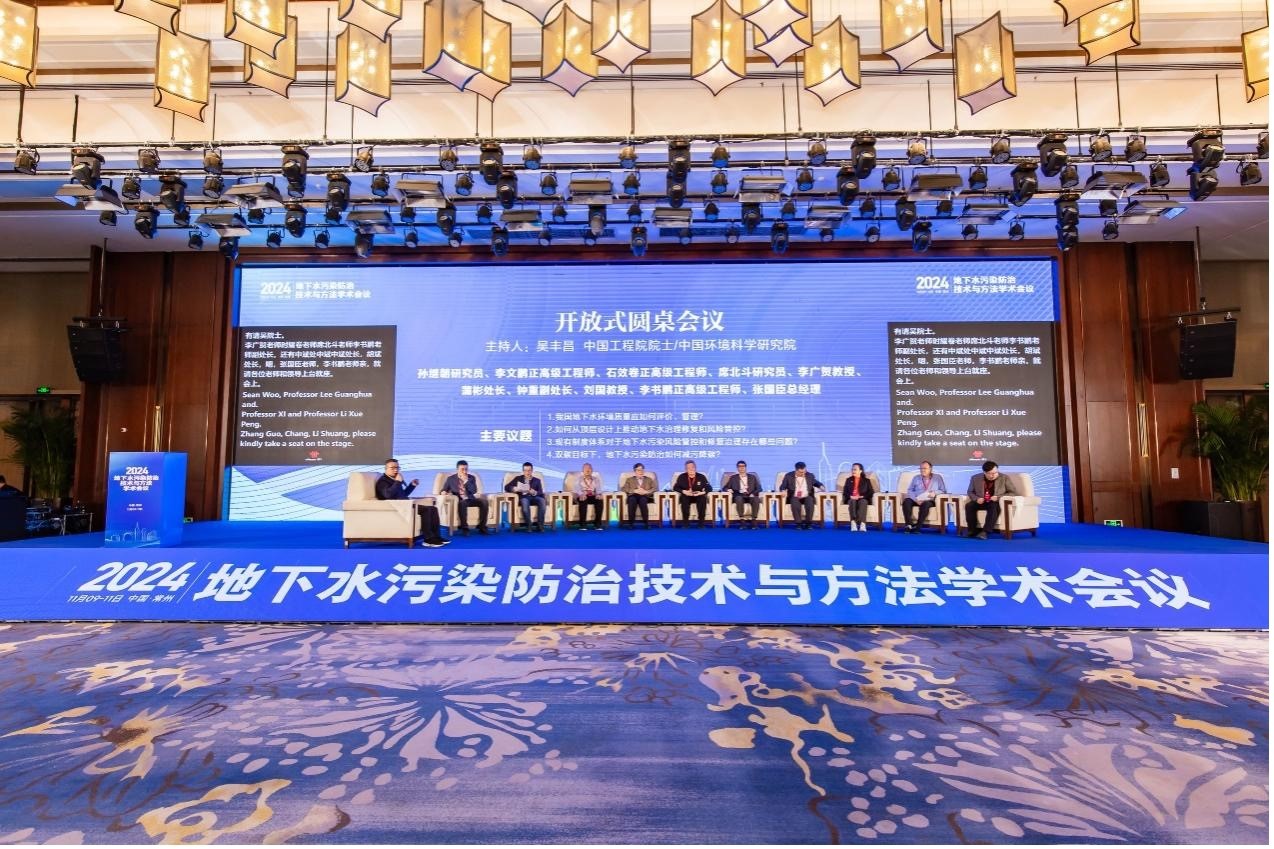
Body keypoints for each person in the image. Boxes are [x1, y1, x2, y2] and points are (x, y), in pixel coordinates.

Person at [375, 459, 450, 547]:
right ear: (386, 469)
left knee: (433, 508)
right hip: (396, 507)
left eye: (397, 468)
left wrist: (412, 485)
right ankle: (428, 539)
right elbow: (388, 495)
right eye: (393, 468)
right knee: (427, 510)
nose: (396, 470)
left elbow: (403, 494)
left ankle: (436, 536)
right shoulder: (382, 481)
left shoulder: (393, 480)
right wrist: (398, 482)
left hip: (404, 504)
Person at [965, 460, 1018, 540]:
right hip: (981, 501)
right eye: (990, 473)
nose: (992, 475)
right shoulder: (975, 478)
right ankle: (972, 531)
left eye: (995, 473)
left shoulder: (1004, 478)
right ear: (984, 472)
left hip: (995, 502)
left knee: (993, 506)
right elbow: (970, 491)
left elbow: (1013, 492)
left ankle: (985, 532)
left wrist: (998, 497)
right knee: (969, 505)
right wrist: (977, 499)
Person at [443, 460, 489, 535]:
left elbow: (474, 491)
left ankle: (482, 527)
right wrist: (443, 492)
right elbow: (444, 489)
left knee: (484, 502)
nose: (465, 471)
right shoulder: (450, 479)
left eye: (466, 469)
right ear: (457, 469)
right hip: (459, 500)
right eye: (462, 469)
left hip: (470, 499)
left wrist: (466, 481)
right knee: (463, 503)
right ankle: (465, 528)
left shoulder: (471, 477)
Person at [901, 460, 946, 533]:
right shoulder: (916, 477)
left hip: (929, 500)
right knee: (906, 501)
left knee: (925, 504)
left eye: (924, 468)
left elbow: (943, 490)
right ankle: (908, 524)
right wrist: (915, 499)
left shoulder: (937, 477)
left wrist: (935, 493)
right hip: (917, 499)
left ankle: (918, 526)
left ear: (930, 469)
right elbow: (910, 490)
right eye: (921, 468)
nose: (922, 470)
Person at [779, 461, 824, 529]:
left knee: (810, 502)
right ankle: (798, 524)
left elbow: (816, 483)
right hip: (795, 496)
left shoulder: (809, 475)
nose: (803, 473)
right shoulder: (788, 476)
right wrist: (783, 490)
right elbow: (783, 486)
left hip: (807, 495)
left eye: (804, 471)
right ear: (796, 470)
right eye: (801, 472)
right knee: (795, 503)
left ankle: (808, 524)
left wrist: (821, 486)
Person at [504, 462, 546, 532]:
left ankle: (540, 525)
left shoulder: (537, 480)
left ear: (532, 471)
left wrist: (534, 492)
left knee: (542, 500)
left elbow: (540, 492)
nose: (527, 472)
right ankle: (529, 525)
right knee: (525, 501)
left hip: (534, 497)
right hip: (523, 497)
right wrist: (513, 488)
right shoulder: (518, 478)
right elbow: (506, 487)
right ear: (523, 471)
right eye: (525, 470)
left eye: (529, 470)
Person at [722, 460, 763, 528]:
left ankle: (754, 520)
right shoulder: (733, 478)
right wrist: (728, 489)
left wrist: (753, 493)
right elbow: (724, 488)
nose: (741, 468)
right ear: (737, 468)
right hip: (739, 495)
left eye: (743, 466)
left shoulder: (752, 477)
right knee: (739, 498)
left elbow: (759, 488)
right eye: (739, 466)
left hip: (750, 495)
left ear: (745, 467)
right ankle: (742, 520)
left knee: (756, 499)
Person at [672, 460, 712, 528]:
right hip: (687, 495)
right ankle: (686, 523)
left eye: (692, 467)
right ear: (686, 469)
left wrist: (701, 493)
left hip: (698, 495)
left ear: (695, 467)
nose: (691, 469)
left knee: (702, 498)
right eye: (688, 468)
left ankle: (701, 523)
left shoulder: (701, 476)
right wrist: (684, 491)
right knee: (684, 498)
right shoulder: (682, 477)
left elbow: (709, 488)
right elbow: (675, 487)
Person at [621, 462, 657, 529]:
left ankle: (646, 523)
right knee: (632, 500)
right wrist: (634, 491)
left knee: (643, 500)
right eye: (639, 470)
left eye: (642, 470)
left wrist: (646, 491)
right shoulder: (629, 479)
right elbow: (624, 488)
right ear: (635, 471)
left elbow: (654, 488)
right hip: (633, 495)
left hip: (645, 496)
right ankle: (631, 524)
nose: (641, 471)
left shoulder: (649, 479)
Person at [841, 463, 875, 532]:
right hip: (851, 498)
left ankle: (862, 524)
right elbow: (845, 492)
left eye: (855, 469)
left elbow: (871, 492)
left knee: (863, 501)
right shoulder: (848, 480)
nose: (853, 471)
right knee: (852, 501)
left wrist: (862, 496)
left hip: (862, 498)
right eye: (852, 469)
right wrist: (851, 496)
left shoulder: (866, 481)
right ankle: (853, 523)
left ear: (860, 471)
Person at [573, 462, 606, 530]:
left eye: (589, 468)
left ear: (592, 470)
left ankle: (597, 524)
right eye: (586, 469)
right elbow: (577, 489)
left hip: (592, 496)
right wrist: (581, 494)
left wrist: (598, 494)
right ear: (583, 471)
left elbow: (599, 489)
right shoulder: (578, 479)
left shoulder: (596, 479)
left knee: (599, 500)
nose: (588, 470)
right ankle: (582, 525)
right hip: (583, 495)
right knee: (583, 500)